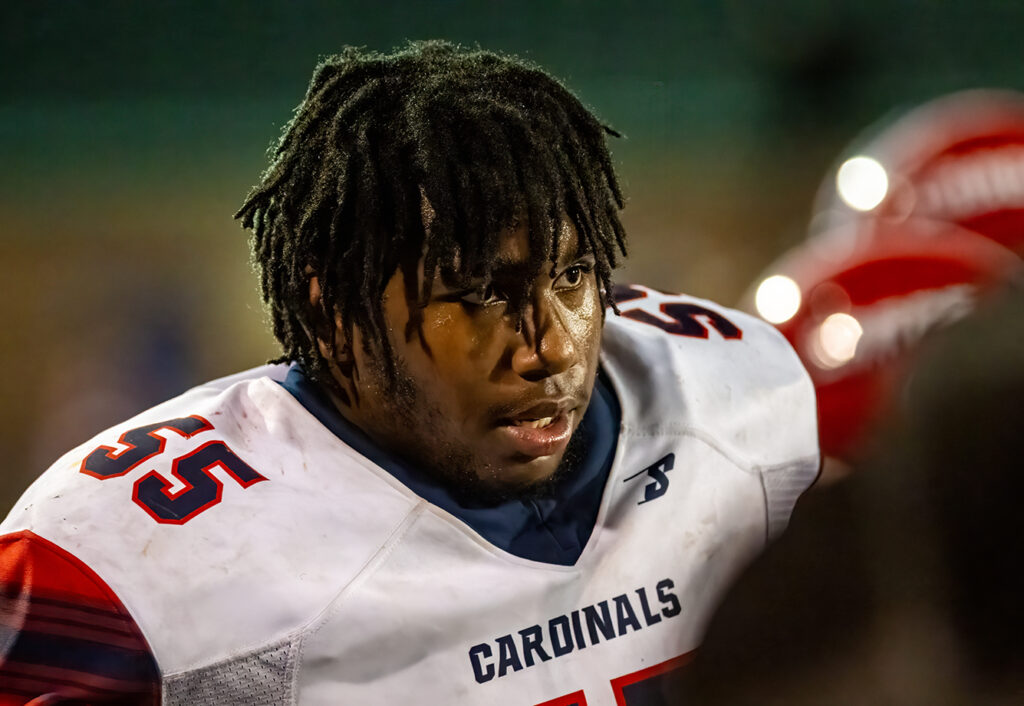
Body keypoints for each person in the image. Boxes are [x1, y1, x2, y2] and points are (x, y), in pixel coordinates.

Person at [0, 41, 819, 705]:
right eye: (480, 295)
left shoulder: (742, 405)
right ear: (335, 316)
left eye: (570, 277)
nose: (552, 347)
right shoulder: (129, 562)